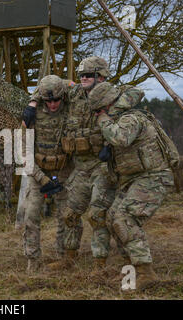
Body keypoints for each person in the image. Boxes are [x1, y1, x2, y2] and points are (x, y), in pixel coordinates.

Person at [89, 82, 178, 290]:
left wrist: (103, 120)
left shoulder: (130, 119)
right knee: (112, 217)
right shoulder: (116, 120)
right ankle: (130, 267)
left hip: (154, 177)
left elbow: (120, 138)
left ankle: (146, 272)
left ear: (109, 105)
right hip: (134, 179)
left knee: (124, 218)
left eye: (100, 111)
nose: (98, 115)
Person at [48, 56, 116, 271]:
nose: (84, 78)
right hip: (81, 167)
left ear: (102, 76)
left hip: (102, 167)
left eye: (90, 75)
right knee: (70, 214)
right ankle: (69, 257)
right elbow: (48, 85)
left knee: (97, 215)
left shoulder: (112, 95)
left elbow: (134, 97)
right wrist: (32, 104)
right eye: (82, 75)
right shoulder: (75, 92)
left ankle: (100, 264)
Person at [21, 75, 75, 273]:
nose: (53, 104)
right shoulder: (31, 116)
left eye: (56, 100)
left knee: (67, 216)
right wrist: (42, 179)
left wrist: (33, 98)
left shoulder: (70, 107)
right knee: (31, 215)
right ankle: (32, 259)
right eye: (48, 100)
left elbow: (72, 83)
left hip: (64, 171)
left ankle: (64, 256)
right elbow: (24, 152)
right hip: (38, 172)